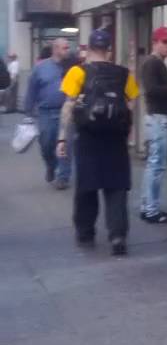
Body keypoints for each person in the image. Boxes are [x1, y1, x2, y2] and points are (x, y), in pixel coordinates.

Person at [57, 29, 139, 256]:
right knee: (117, 188)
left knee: (86, 187)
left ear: (88, 48)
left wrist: (62, 137)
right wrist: (126, 130)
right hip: (116, 140)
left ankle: (85, 232)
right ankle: (118, 235)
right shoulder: (124, 74)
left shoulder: (77, 72)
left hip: (87, 138)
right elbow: (131, 104)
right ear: (109, 50)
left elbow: (68, 106)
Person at [138, 27, 167, 224]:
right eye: (165, 42)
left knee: (155, 163)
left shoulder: (155, 64)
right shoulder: (152, 63)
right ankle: (151, 209)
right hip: (158, 118)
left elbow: (156, 91)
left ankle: (148, 206)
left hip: (158, 117)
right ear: (155, 42)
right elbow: (153, 90)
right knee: (156, 164)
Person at [26, 38, 72, 189]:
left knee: (64, 143)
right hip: (45, 112)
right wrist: (28, 112)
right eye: (65, 48)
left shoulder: (71, 67)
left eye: (68, 47)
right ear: (56, 49)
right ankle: (51, 166)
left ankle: (63, 177)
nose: (68, 50)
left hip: (66, 111)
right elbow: (32, 89)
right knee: (46, 144)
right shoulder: (41, 68)